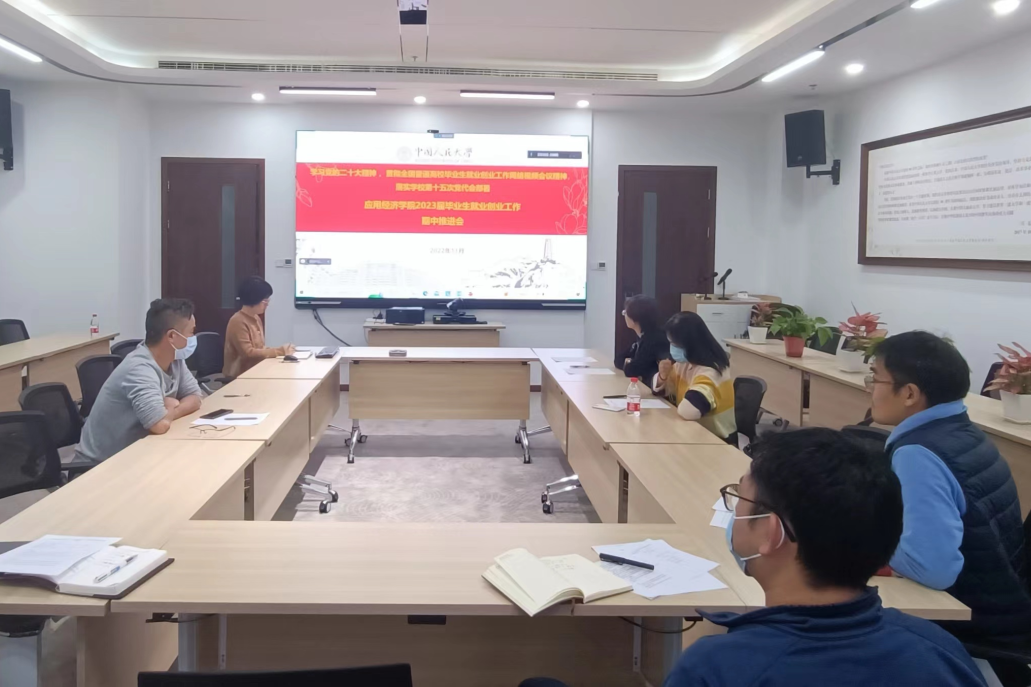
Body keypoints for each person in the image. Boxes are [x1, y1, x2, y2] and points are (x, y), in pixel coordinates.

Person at [520, 430, 987, 687]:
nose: (732, 512)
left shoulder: (720, 667)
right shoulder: (941, 651)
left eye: (738, 500)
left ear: (769, 532)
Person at [868, 332, 1031, 652]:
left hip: (977, 629)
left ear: (910, 394)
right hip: (1005, 606)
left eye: (875, 379)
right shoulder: (961, 430)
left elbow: (932, 568)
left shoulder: (918, 454)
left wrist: (865, 536)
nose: (869, 389)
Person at [73, 298, 203, 463]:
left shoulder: (175, 360)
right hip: (99, 466)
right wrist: (167, 411)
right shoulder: (139, 368)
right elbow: (159, 425)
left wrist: (171, 408)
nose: (193, 337)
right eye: (191, 332)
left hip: (136, 453)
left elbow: (195, 397)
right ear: (172, 336)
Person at [653, 312, 735, 440]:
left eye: (675, 344)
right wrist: (662, 377)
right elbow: (663, 390)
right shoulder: (686, 363)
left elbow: (688, 411)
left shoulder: (712, 372)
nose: (672, 348)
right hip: (691, 432)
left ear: (691, 344)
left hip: (716, 440)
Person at [223, 276, 295, 378]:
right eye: (265, 301)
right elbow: (248, 353)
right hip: (240, 375)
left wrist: (281, 350)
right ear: (254, 299)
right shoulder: (237, 321)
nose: (267, 304)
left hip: (256, 369)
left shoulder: (255, 318)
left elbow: (260, 348)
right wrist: (279, 351)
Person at [613, 295, 669, 382]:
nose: (624, 315)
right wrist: (630, 362)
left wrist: (629, 362)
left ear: (635, 317)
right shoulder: (642, 336)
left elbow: (632, 370)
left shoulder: (654, 340)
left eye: (625, 312)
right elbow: (618, 359)